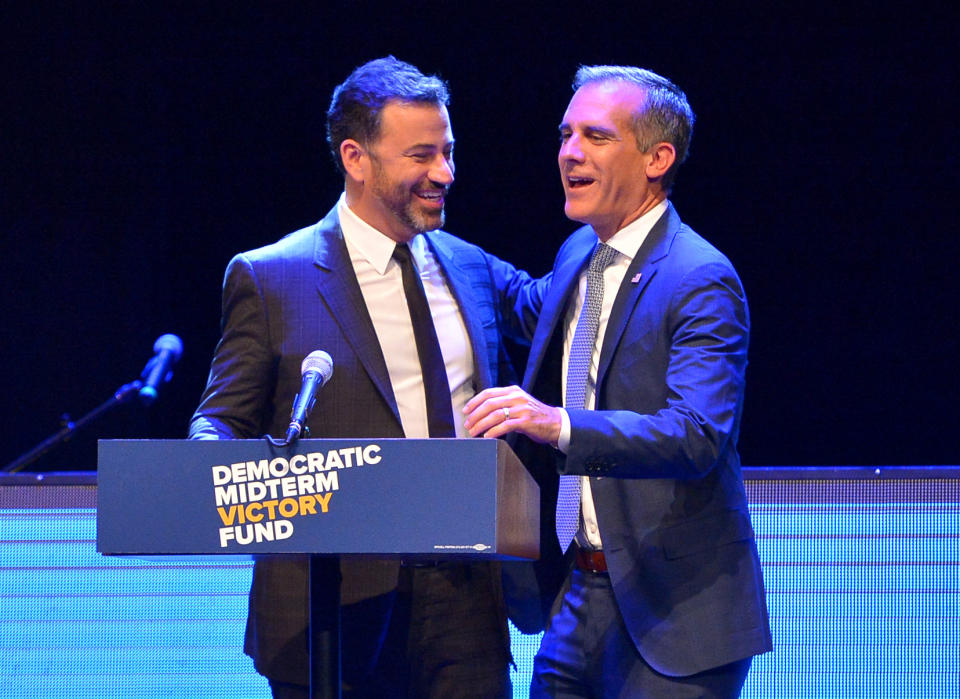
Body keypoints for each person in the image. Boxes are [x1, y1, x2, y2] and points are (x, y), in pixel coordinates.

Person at [190, 56, 531, 698]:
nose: (445, 174)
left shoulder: (469, 265)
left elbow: (558, 306)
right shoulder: (271, 277)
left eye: (449, 152)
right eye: (422, 156)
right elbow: (220, 421)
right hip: (331, 600)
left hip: (467, 596)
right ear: (357, 157)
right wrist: (227, 484)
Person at [464, 65, 772, 697]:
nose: (570, 152)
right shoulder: (582, 252)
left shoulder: (699, 277)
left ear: (658, 158)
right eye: (566, 133)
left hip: (677, 611)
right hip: (578, 595)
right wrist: (426, 232)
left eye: (596, 136)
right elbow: (529, 304)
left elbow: (695, 437)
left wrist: (557, 424)